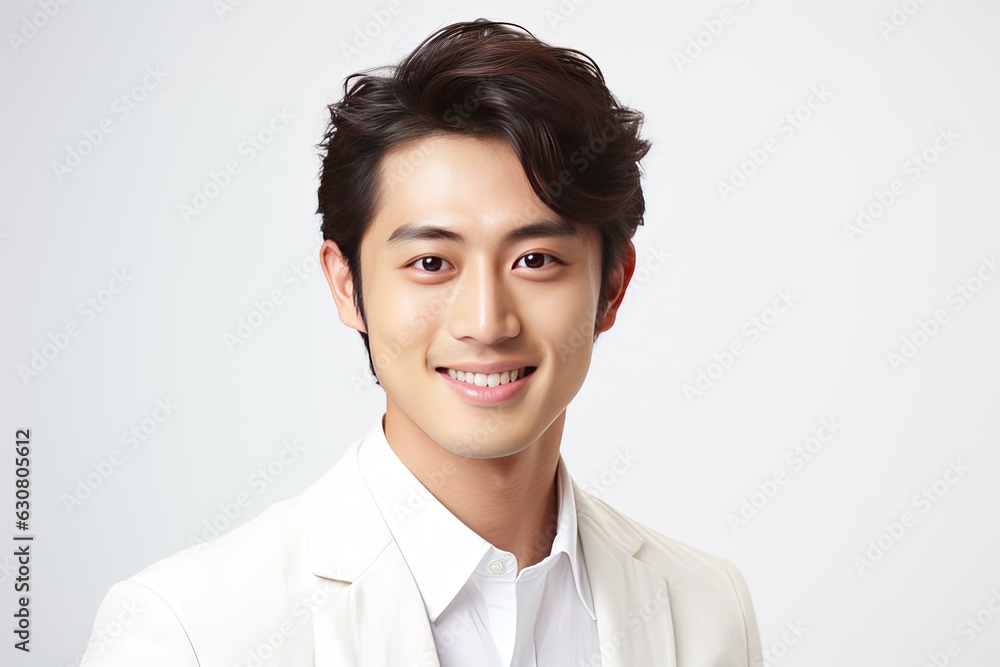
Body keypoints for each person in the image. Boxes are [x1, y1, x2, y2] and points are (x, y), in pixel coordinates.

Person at [81, 18, 762, 666]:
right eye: (432, 263)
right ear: (347, 285)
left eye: (536, 260)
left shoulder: (705, 605)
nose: (487, 321)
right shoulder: (192, 627)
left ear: (612, 284)